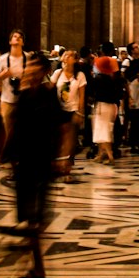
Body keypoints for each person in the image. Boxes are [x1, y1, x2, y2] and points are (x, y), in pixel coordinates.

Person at [4, 53, 63, 278]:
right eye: (27, 66)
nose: (28, 70)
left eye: (33, 67)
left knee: (35, 216)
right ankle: (35, 263)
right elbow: (15, 128)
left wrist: (62, 158)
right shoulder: (25, 95)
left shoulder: (49, 95)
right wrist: (2, 157)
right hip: (24, 160)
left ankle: (35, 262)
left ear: (42, 71)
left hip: (43, 159)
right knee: (29, 216)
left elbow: (62, 127)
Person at [0, 30, 28, 166]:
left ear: (23, 42)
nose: (17, 38)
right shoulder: (2, 59)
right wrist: (3, 76)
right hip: (7, 100)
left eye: (20, 37)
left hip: (23, 100)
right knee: (9, 131)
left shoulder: (28, 58)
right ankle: (13, 162)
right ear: (10, 41)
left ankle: (21, 159)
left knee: (22, 131)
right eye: (14, 36)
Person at [53, 49, 86, 180]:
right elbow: (50, 89)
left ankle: (68, 169)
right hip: (59, 110)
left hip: (73, 110)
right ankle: (59, 165)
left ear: (75, 59)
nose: (66, 57)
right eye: (65, 55)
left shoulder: (79, 75)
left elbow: (82, 96)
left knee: (71, 141)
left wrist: (80, 112)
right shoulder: (57, 73)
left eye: (70, 55)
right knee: (60, 139)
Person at [90, 54, 123, 164]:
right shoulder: (111, 78)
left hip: (102, 106)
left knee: (103, 132)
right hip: (112, 106)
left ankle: (110, 156)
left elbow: (92, 92)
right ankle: (100, 154)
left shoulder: (98, 78)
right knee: (103, 131)